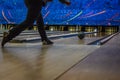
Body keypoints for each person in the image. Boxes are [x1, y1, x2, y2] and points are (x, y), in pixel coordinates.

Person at [1, 0, 71, 47]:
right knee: (29, 21)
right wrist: (64, 1)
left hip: (29, 1)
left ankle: (44, 39)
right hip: (36, 2)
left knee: (39, 20)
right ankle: (9, 35)